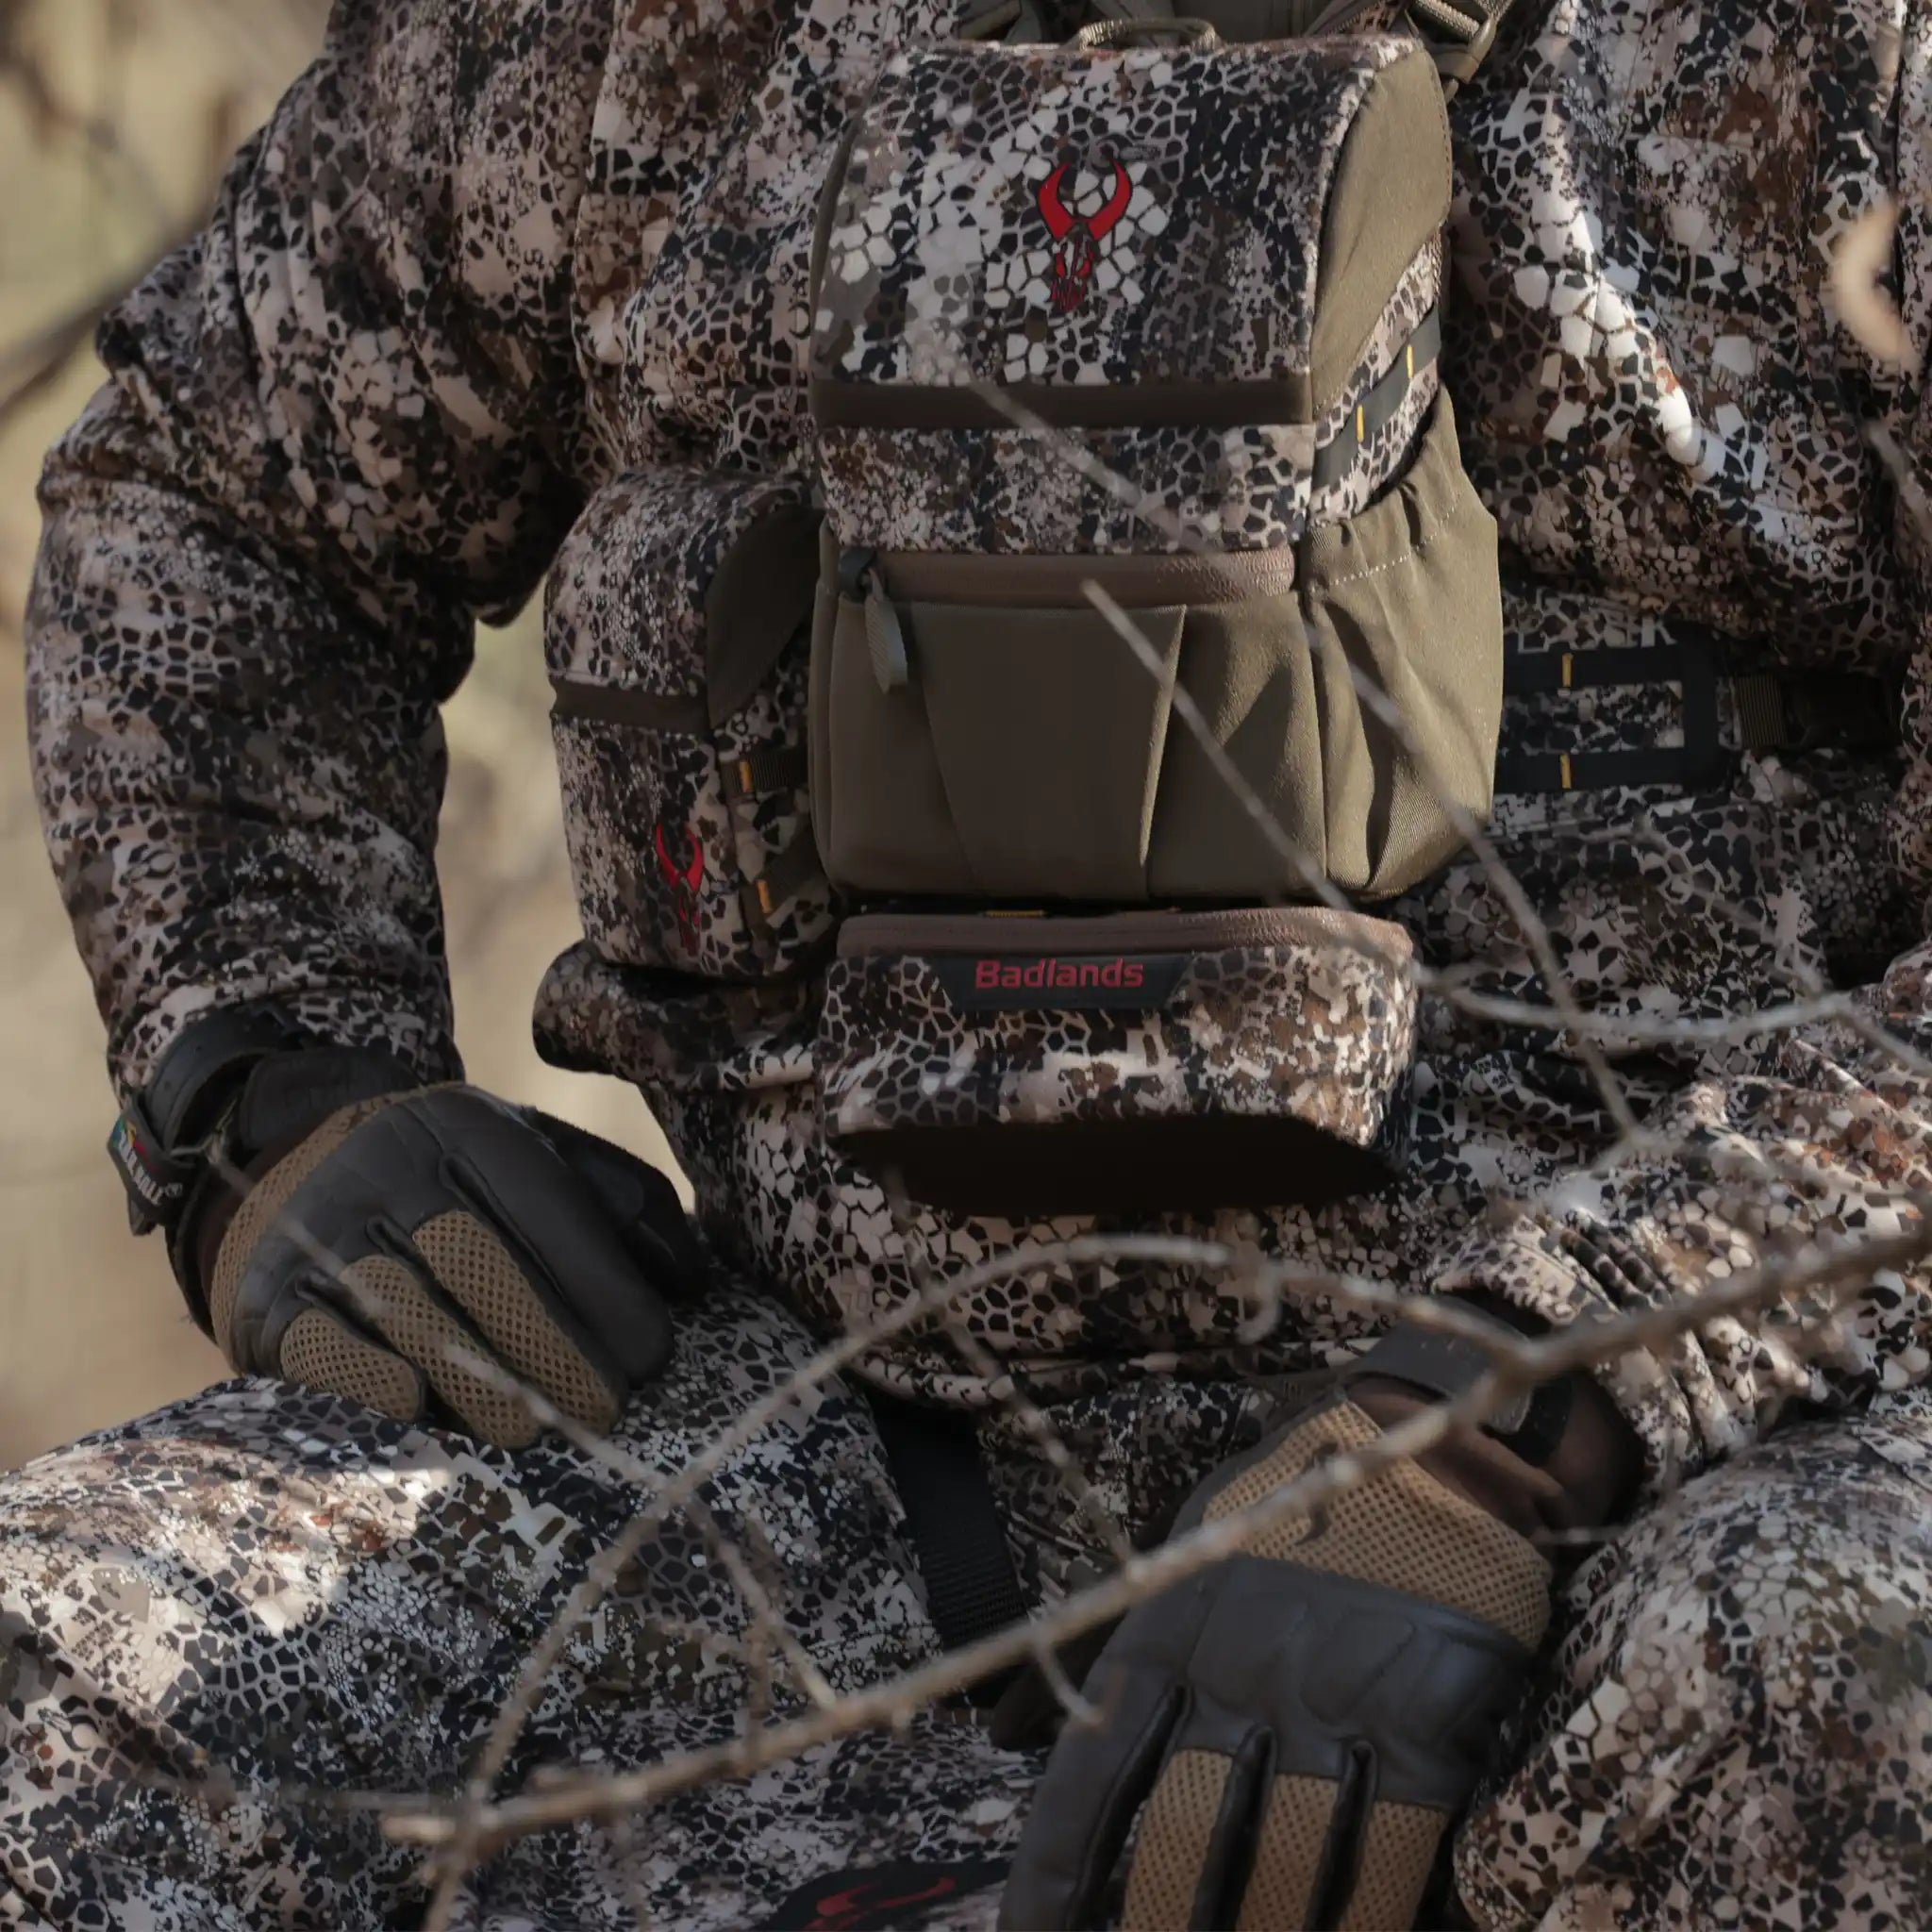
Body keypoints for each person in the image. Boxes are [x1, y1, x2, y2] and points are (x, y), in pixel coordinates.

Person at [8, 0, 1932, 1925]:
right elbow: (211, 500)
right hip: (827, 1455)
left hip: (1634, 1492)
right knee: (59, 1692)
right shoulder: (627, 39)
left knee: (1843, 1663)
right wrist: (267, 1077)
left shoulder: (1843, 58)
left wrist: (1530, 1404)